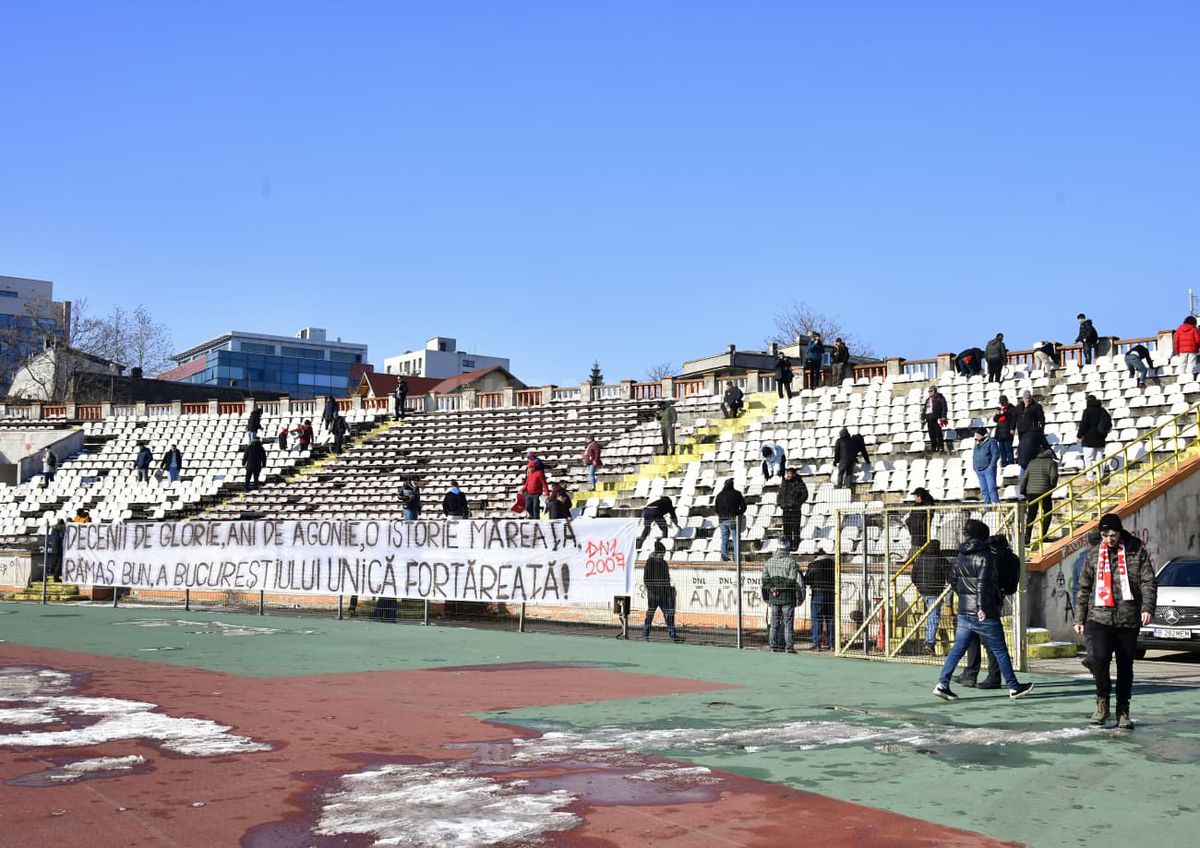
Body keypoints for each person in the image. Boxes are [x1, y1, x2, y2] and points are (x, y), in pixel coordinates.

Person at [932, 519, 1034, 702]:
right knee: (1000, 649)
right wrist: (981, 607)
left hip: (964, 611)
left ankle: (942, 684)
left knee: (957, 649)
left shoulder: (961, 555)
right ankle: (1014, 686)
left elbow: (954, 580)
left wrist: (965, 599)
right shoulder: (985, 556)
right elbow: (983, 583)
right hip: (983, 612)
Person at [1075, 513, 1156, 729]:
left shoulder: (1136, 551)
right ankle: (1102, 704)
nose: (1109, 539)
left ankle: (1123, 710)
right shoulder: (1093, 555)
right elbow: (1083, 588)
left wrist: (1147, 608)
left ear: (1120, 532)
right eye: (1104, 534)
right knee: (1099, 660)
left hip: (1128, 618)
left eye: (1112, 534)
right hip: (1099, 617)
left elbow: (1148, 581)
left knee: (1125, 666)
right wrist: (1079, 617)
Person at [957, 534, 1021, 687]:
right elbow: (1012, 583)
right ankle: (992, 676)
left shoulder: (989, 557)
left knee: (977, 639)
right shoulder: (1013, 558)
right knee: (991, 642)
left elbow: (983, 581)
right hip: (997, 598)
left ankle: (974, 674)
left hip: (982, 601)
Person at [762, 539, 805, 653]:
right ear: (788, 549)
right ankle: (789, 647)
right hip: (787, 598)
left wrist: (773, 588)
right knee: (788, 624)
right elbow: (792, 580)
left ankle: (773, 646)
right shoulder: (791, 562)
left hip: (774, 598)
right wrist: (781, 589)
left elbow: (765, 580)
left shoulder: (769, 562)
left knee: (774, 624)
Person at [911, 539, 949, 655]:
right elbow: (948, 572)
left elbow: (913, 576)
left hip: (923, 592)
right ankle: (930, 642)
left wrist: (920, 587)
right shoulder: (940, 559)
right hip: (935, 591)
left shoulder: (920, 559)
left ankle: (929, 640)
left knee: (930, 616)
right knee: (933, 617)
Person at [1020, 443, 1059, 546]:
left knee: (1031, 515)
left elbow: (1025, 477)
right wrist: (1051, 487)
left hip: (1031, 491)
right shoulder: (1052, 463)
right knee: (1047, 512)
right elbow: (1054, 477)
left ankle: (1027, 537)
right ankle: (1043, 536)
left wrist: (1022, 490)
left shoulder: (1032, 462)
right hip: (1044, 491)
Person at [642, 542, 680, 642]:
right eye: (661, 554)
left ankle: (673, 635)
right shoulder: (650, 562)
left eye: (663, 555)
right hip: (653, 596)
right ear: (656, 553)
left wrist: (666, 590)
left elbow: (667, 578)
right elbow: (646, 579)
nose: (662, 556)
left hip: (663, 595)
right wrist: (653, 590)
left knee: (669, 615)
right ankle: (645, 634)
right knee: (650, 615)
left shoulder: (664, 563)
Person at [1077, 394, 1112, 480]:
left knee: (1088, 459)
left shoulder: (1087, 411)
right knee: (1099, 459)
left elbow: (1083, 425)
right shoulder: (1103, 410)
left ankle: (1089, 478)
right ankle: (1100, 476)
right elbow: (1109, 424)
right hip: (1100, 439)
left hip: (1089, 439)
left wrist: (1079, 436)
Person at [806, 554, 835, 650]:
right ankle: (832, 644)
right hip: (831, 593)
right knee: (830, 619)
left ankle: (817, 643)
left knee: (817, 619)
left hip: (818, 593)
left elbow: (807, 580)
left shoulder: (814, 565)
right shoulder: (834, 564)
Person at [777, 468, 809, 551]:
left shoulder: (799, 483)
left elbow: (805, 494)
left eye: (790, 473)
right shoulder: (784, 483)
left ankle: (795, 545)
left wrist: (797, 503)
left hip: (795, 510)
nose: (788, 475)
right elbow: (780, 494)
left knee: (795, 528)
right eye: (787, 473)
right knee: (786, 529)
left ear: (794, 474)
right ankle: (788, 545)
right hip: (785, 510)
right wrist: (780, 503)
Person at [715, 479, 746, 561]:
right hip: (733, 519)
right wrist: (738, 513)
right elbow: (744, 507)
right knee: (736, 539)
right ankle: (737, 559)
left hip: (722, 520)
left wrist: (721, 515)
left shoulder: (719, 495)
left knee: (724, 539)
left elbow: (716, 509)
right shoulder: (737, 494)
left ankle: (724, 557)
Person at [972, 428, 1001, 504]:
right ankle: (987, 507)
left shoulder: (991, 442)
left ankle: (996, 505)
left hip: (988, 469)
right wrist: (974, 466)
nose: (976, 436)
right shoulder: (977, 444)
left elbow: (996, 454)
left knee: (992, 488)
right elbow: (974, 455)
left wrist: (991, 466)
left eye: (978, 434)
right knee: (984, 490)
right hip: (979, 470)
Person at [993, 395, 1018, 467]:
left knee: (1008, 449)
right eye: (1001, 403)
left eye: (1003, 402)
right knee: (1002, 450)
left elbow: (1013, 418)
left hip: (1007, 432)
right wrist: (998, 414)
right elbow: (995, 420)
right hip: (1000, 433)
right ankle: (1004, 463)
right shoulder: (1000, 410)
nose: (1002, 404)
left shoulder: (1011, 408)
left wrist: (1012, 428)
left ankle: (1011, 462)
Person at [922, 386, 948, 453]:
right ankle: (933, 447)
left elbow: (944, 407)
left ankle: (941, 447)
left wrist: (943, 416)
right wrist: (923, 417)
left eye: (931, 391)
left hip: (936, 417)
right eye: (929, 391)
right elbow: (925, 409)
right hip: (929, 418)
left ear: (935, 391)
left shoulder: (940, 398)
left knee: (938, 433)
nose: (930, 393)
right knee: (931, 434)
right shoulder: (928, 400)